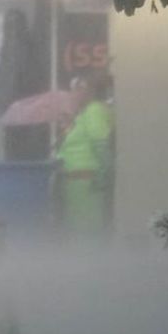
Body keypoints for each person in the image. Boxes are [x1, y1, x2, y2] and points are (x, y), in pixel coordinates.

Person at [56, 72, 114, 234]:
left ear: (90, 91)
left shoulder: (94, 110)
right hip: (74, 186)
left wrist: (102, 179)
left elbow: (101, 146)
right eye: (73, 88)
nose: (74, 93)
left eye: (79, 88)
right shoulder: (82, 114)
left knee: (86, 234)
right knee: (76, 234)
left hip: (87, 184)